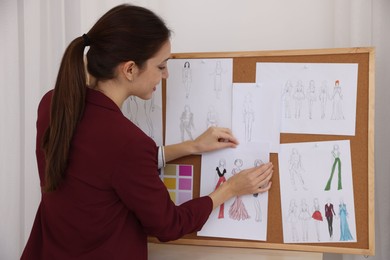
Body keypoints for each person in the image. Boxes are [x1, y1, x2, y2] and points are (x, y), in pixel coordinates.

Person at [21, 4, 273, 260]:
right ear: (129, 69)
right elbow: (168, 225)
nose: (165, 76)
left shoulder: (52, 104)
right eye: (161, 66)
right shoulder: (126, 141)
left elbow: (102, 169)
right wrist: (229, 189)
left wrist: (191, 147)